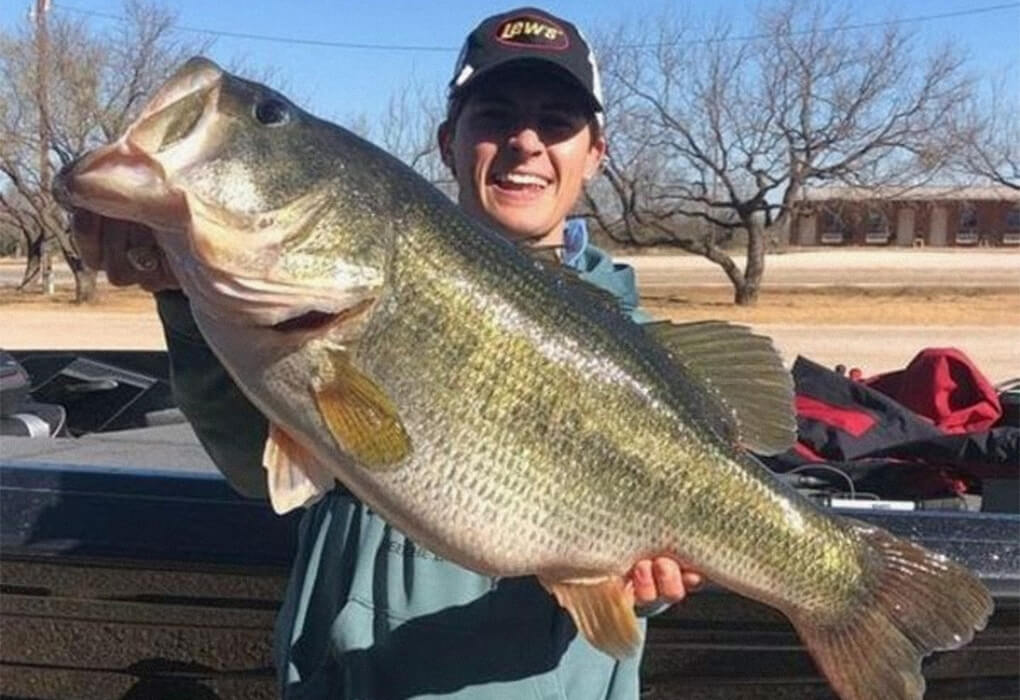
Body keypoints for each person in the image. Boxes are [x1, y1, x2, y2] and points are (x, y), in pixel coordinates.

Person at [71, 7, 703, 698]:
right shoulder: (334, 294)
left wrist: (646, 588)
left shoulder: (642, 351)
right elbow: (261, 470)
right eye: (493, 116)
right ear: (448, 141)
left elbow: (639, 590)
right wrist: (183, 299)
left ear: (595, 154)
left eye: (557, 122)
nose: (525, 143)